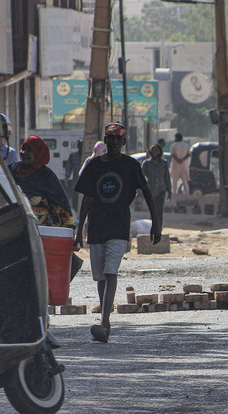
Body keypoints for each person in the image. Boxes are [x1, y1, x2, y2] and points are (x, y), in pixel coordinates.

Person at [74, 122, 161, 343]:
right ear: (105, 140)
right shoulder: (93, 166)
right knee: (100, 276)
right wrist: (79, 230)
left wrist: (156, 223)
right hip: (96, 228)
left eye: (117, 139)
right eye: (109, 138)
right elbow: (87, 199)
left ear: (123, 142)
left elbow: (147, 192)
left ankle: (104, 322)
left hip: (119, 227)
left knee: (111, 272)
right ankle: (105, 321)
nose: (113, 142)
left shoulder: (131, 165)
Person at [10, 136, 74, 228]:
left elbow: (61, 204)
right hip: (13, 227)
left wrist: (69, 230)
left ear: (38, 153)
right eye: (23, 149)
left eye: (29, 151)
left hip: (40, 231)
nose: (24, 153)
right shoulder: (13, 169)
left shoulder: (46, 175)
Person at [141, 144, 172, 230]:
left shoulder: (164, 164)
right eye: (153, 150)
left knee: (159, 210)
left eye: (156, 150)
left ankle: (159, 228)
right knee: (153, 210)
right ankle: (153, 227)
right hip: (150, 190)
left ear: (159, 152)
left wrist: (169, 191)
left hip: (161, 190)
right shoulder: (146, 163)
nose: (154, 152)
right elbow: (141, 177)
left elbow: (167, 178)